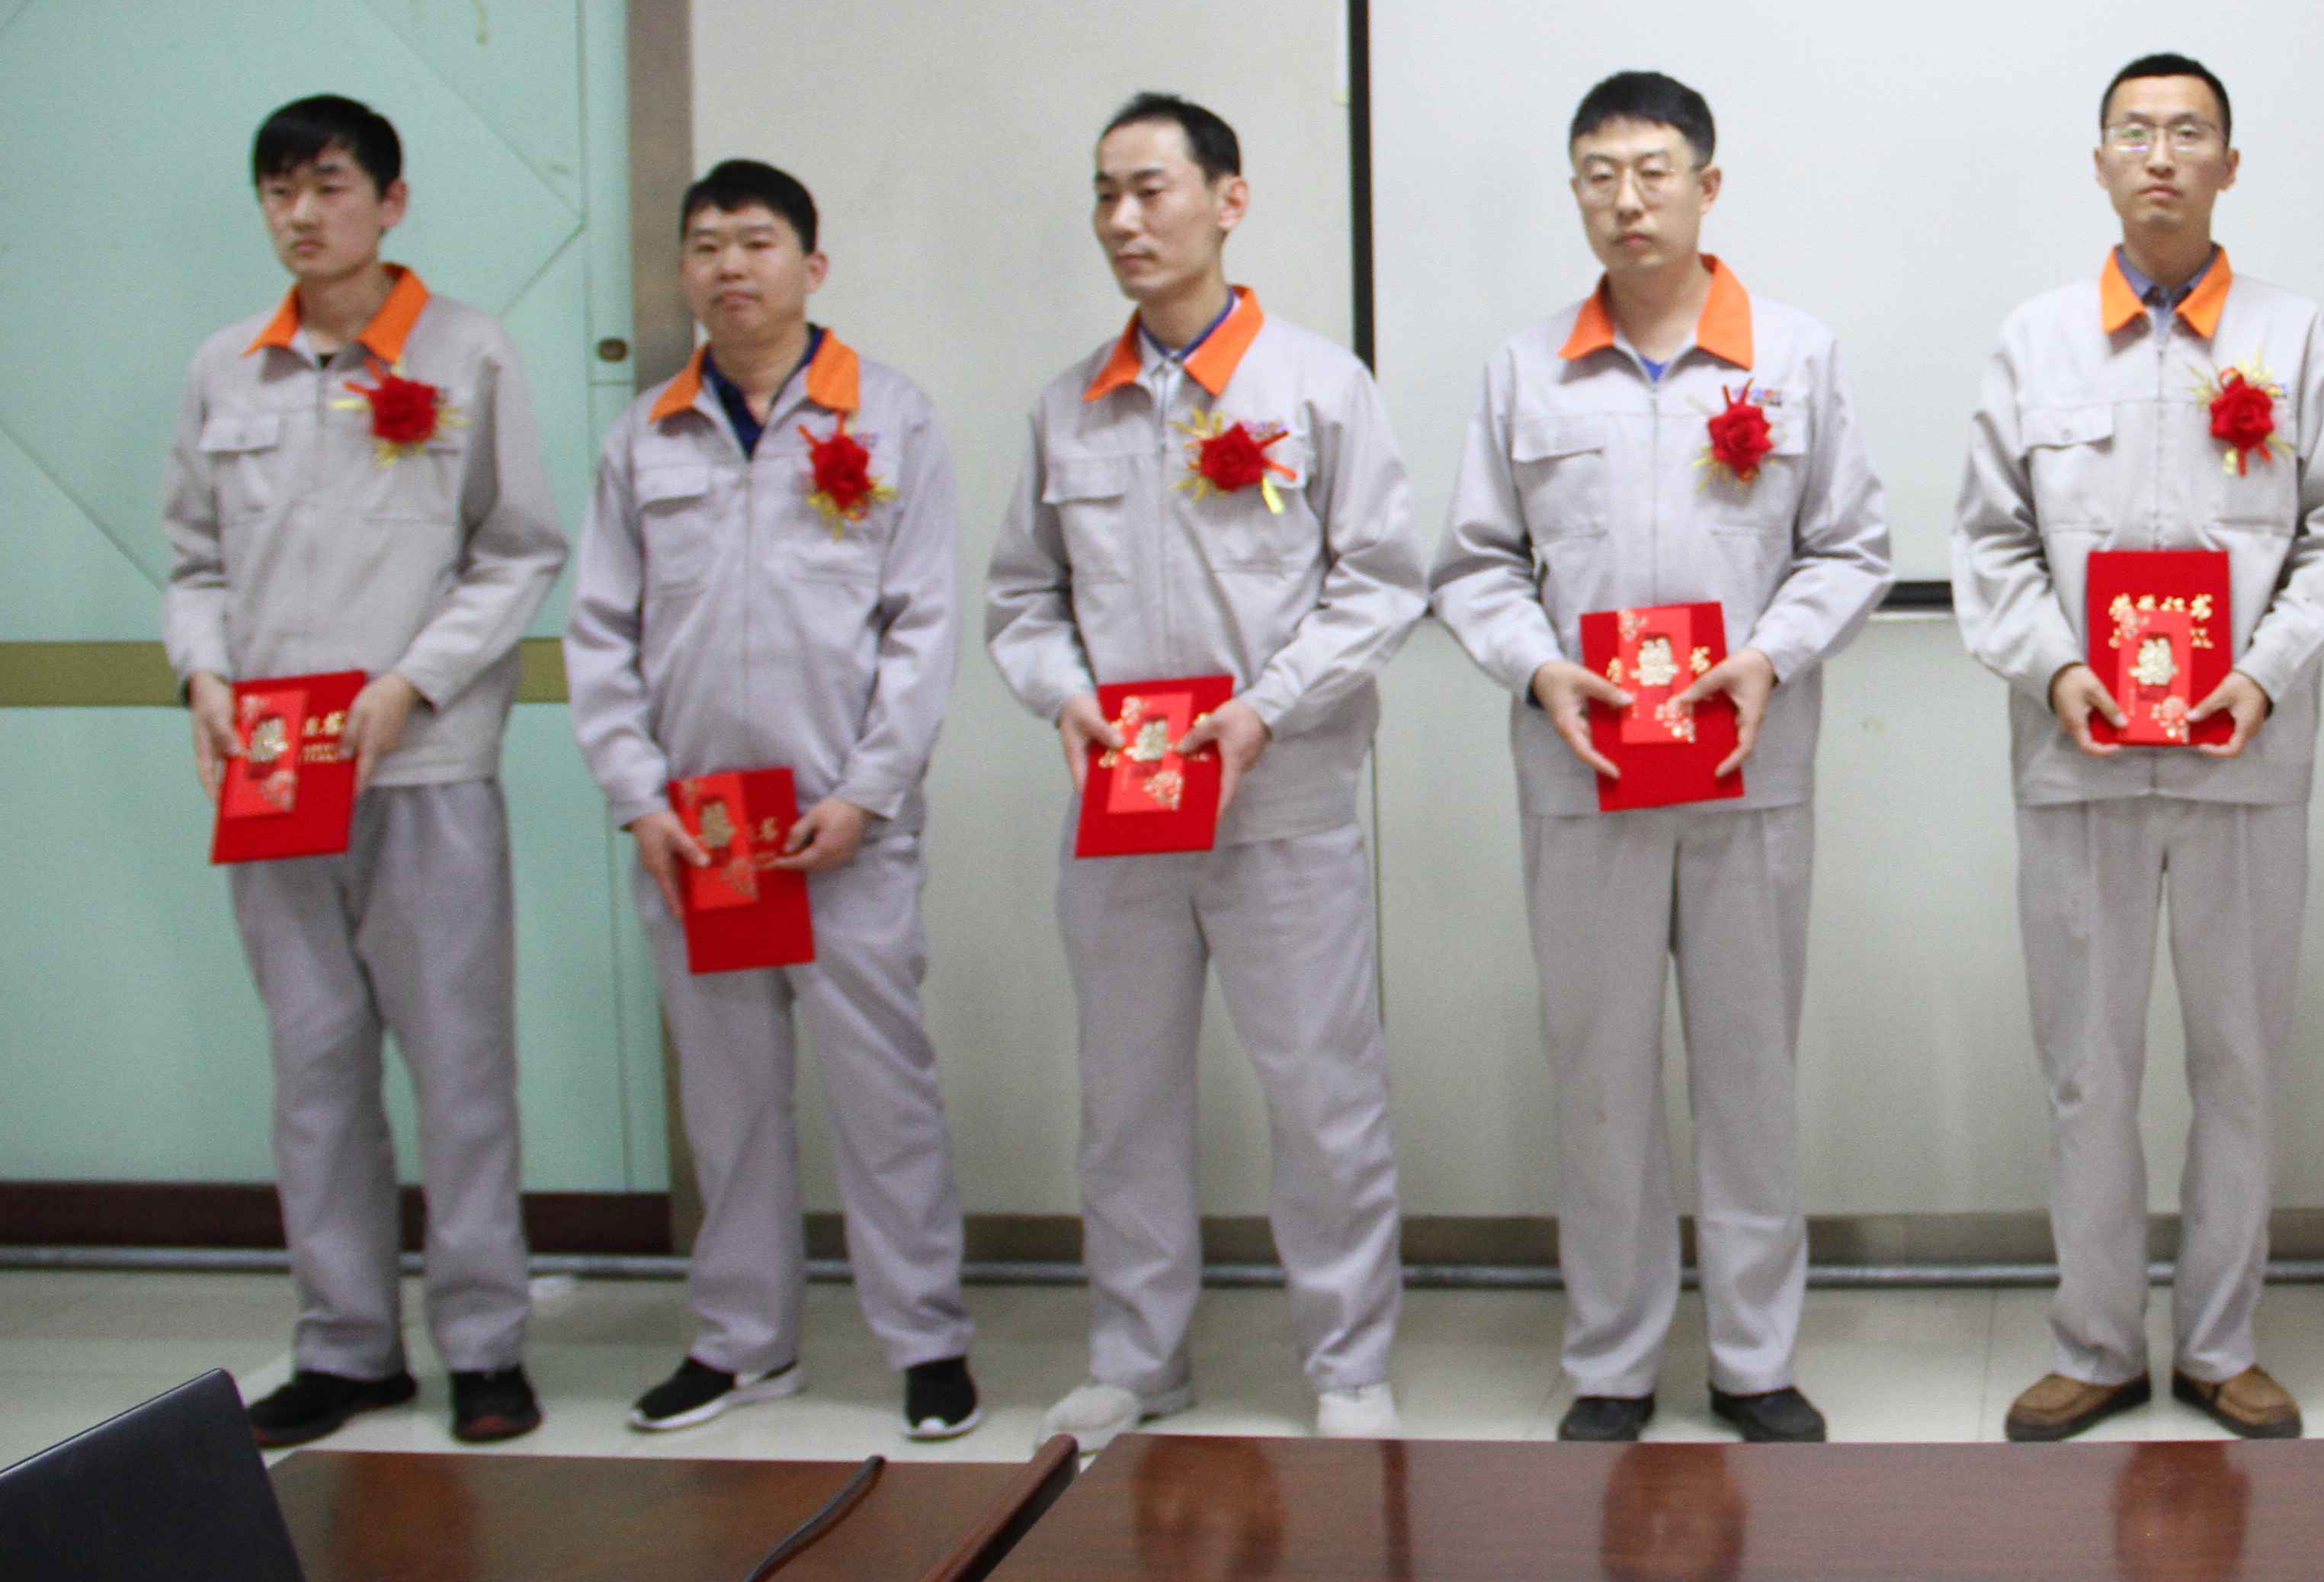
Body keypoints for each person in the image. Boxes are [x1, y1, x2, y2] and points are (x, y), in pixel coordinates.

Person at [1431, 71, 1891, 1445]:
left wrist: (1772, 655)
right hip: (1586, 776)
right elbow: (1474, 565)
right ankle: (1612, 1363)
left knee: (1749, 1072)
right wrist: (1537, 667)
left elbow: (1852, 548)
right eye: (1599, 174)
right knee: (1601, 1075)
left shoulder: (1793, 357)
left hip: (1751, 772)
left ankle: (1754, 1359)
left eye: (1653, 171)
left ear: (1707, 186)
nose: (1626, 200)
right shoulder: (1526, 370)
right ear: (1576, 192)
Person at [986, 93, 1427, 1453]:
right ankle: (1137, 1357)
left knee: (1322, 1093)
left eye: (1152, 190)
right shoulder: (1069, 406)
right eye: (1106, 194)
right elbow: (1021, 599)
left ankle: (1348, 1362)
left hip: (1281, 799)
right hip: (1123, 809)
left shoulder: (1317, 386)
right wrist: (1063, 697)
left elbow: (1381, 584)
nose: (1125, 220)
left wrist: (1265, 711)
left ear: (1228, 202)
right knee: (1124, 1097)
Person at [1954, 53, 2324, 1442]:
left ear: (2228, 165)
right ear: (2099, 162)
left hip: (2241, 760)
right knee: (2088, 1070)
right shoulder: (2035, 341)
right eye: (2134, 133)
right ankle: (2093, 1341)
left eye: (2188, 132)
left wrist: (2263, 675)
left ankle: (2219, 1343)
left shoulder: (2293, 337)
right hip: (2077, 757)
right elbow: (1988, 541)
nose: (2160, 155)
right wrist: (2057, 667)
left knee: (2238, 1063)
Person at [166, 95, 566, 1448]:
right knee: (314, 1068)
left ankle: (485, 1345)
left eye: (329, 185)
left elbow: (517, 549)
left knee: (461, 1072)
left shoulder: (468, 350)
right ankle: (344, 1346)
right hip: (276, 778)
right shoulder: (226, 367)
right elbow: (193, 562)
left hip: (424, 764)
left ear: (390, 202)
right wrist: (203, 677)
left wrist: (414, 682)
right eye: (279, 189)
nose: (302, 213)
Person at [567, 158, 979, 1442]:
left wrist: (869, 791)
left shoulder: (889, 418)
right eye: (706, 246)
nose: (730, 267)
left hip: (841, 829)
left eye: (756, 242)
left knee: (882, 1095)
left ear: (813, 265)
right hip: (702, 832)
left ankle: (927, 1341)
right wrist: (638, 798)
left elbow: (924, 626)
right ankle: (742, 1344)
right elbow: (600, 634)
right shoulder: (645, 438)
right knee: (728, 1101)